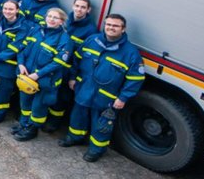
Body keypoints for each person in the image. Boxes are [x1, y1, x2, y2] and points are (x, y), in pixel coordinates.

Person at [59, 13, 144, 162]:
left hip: (106, 97)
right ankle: (74, 137)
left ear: (123, 29)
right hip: (84, 89)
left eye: (115, 25)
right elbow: (77, 60)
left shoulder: (131, 53)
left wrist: (123, 97)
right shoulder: (92, 40)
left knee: (102, 125)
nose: (111, 28)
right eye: (108, 24)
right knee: (78, 116)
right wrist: (72, 78)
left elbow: (135, 79)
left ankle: (96, 149)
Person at [12, 7, 73, 142]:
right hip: (26, 76)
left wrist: (37, 75)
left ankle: (32, 129)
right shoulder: (36, 31)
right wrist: (21, 64)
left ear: (62, 21)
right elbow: (21, 48)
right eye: (49, 16)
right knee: (25, 103)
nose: (51, 19)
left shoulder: (64, 39)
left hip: (45, 80)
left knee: (38, 107)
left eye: (55, 17)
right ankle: (24, 124)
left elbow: (58, 63)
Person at [45, 0, 99, 132]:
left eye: (83, 7)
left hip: (68, 69)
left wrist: (73, 76)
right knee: (49, 92)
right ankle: (44, 116)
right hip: (54, 65)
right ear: (73, 6)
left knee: (62, 97)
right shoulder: (65, 21)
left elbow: (84, 57)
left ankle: (54, 122)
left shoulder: (91, 31)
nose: (79, 10)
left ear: (88, 10)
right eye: (77, 6)